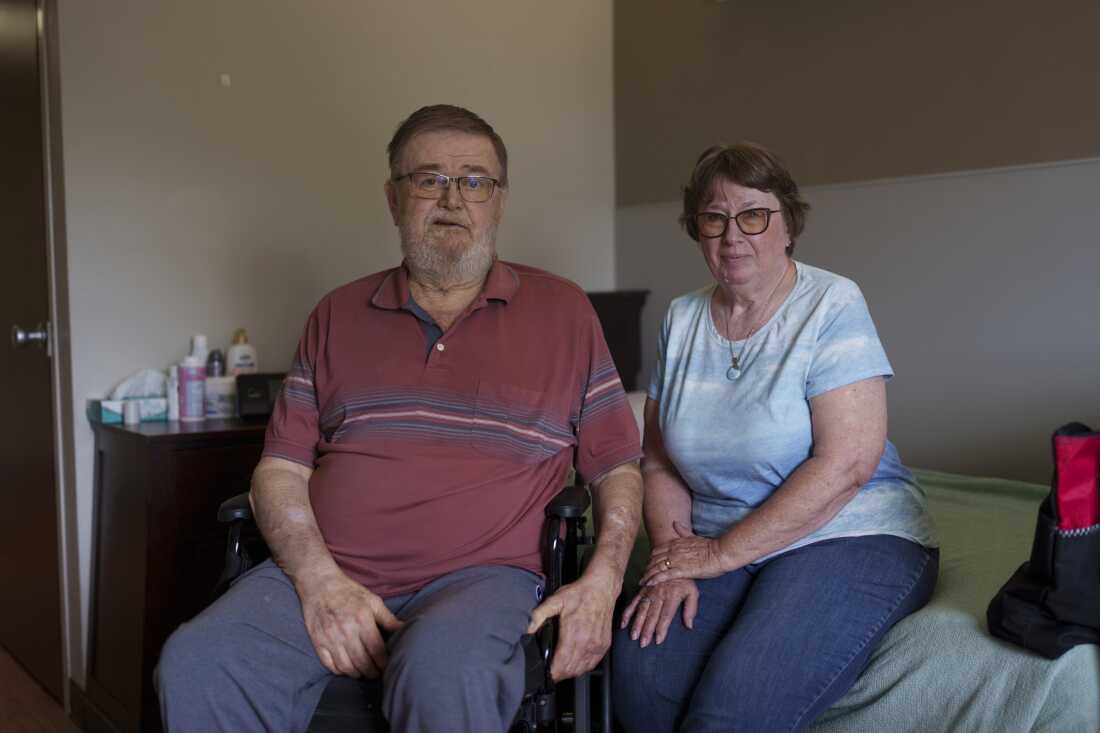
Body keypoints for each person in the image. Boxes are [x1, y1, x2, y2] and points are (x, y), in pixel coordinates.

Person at [156, 104, 643, 733]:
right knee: (198, 661)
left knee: (444, 672)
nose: (452, 199)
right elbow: (279, 469)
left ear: (498, 201)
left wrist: (601, 584)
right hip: (330, 569)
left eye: (474, 181)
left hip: (482, 582)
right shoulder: (335, 314)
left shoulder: (564, 312)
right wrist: (319, 581)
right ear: (393, 198)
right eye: (429, 179)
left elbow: (617, 467)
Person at [611, 143, 939, 733]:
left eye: (753, 214)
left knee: (735, 705)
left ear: (788, 224)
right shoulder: (681, 319)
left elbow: (848, 464)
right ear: (697, 230)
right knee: (642, 671)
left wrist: (719, 554)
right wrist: (673, 557)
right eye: (714, 218)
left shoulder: (832, 302)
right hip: (715, 535)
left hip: (844, 532)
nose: (733, 235)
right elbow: (657, 458)